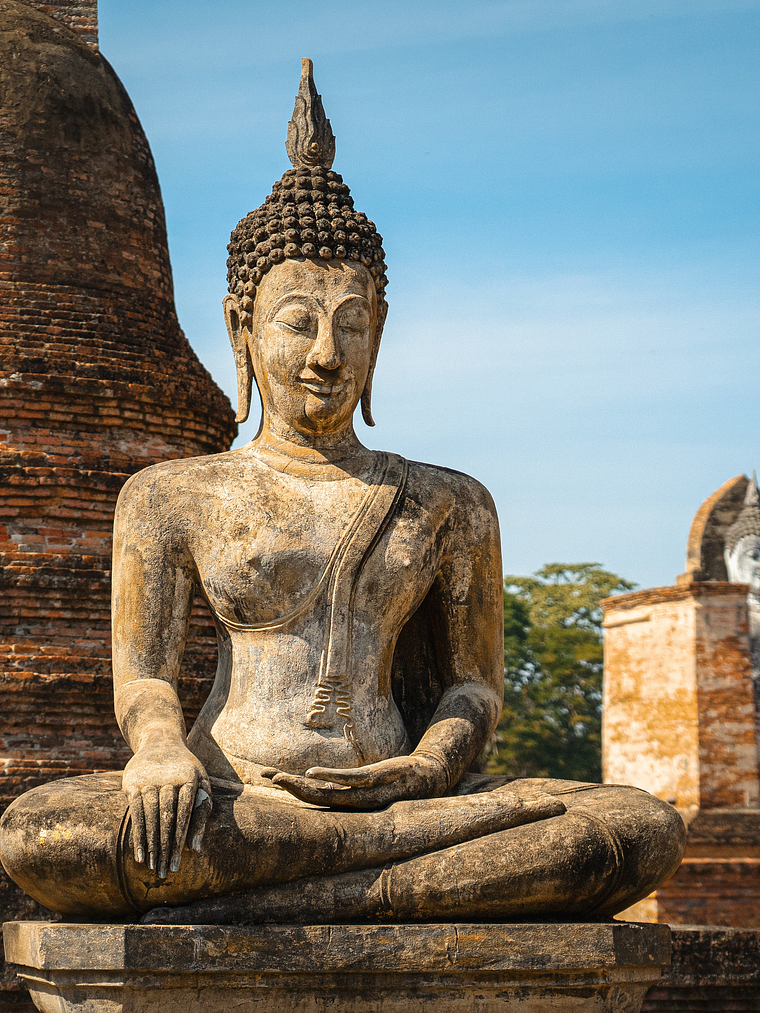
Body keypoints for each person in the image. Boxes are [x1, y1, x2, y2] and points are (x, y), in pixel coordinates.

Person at [0, 60, 685, 924]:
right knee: (45, 833)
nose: (326, 352)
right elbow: (142, 681)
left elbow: (473, 687)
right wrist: (161, 754)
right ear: (240, 329)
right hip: (233, 795)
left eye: (351, 323)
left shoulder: (450, 503)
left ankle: (310, 884)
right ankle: (388, 879)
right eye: (297, 322)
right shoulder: (171, 495)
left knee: (634, 827)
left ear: (380, 333)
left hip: (406, 799)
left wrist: (431, 769)